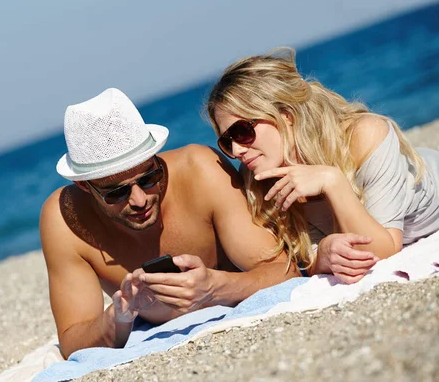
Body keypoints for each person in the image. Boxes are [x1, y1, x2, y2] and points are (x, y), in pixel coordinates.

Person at [40, 87, 300, 359]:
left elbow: (284, 271)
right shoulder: (64, 218)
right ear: (84, 186)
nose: (139, 199)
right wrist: (118, 317)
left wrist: (214, 286)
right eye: (116, 193)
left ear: (155, 157)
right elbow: (72, 341)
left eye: (149, 178)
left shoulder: (200, 170)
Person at [206, 47, 439, 284]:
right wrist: (323, 256)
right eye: (227, 141)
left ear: (285, 115)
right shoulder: (259, 176)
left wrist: (332, 182)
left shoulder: (364, 135)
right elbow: (307, 259)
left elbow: (382, 251)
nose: (237, 150)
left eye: (242, 131)